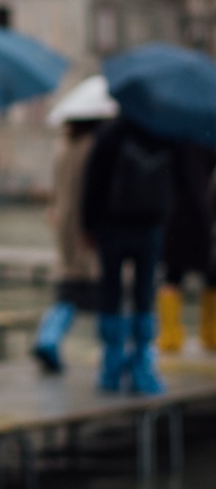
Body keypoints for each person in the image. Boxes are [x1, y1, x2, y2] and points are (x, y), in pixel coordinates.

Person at [82, 116, 172, 393]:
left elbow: (93, 182)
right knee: (144, 296)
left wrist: (88, 226)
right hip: (149, 226)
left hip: (113, 226)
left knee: (111, 291)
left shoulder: (109, 134)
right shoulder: (164, 132)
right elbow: (173, 184)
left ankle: (110, 369)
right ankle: (142, 369)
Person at [32, 119, 104, 372]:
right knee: (100, 292)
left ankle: (47, 337)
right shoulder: (94, 146)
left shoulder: (63, 146)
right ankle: (113, 358)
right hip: (86, 228)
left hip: (64, 225)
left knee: (68, 290)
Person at [156, 143, 216, 353]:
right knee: (211, 275)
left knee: (172, 275)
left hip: (174, 215)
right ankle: (211, 335)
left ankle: (171, 336)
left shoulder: (171, 139)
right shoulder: (206, 140)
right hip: (204, 214)